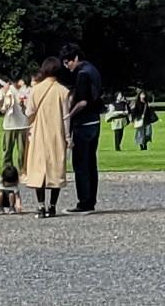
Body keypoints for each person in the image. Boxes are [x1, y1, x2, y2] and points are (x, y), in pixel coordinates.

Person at [20, 59, 77, 217]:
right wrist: (67, 137)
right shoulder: (63, 91)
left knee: (39, 170)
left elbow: (29, 112)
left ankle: (40, 206)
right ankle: (52, 206)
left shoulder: (36, 90)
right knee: (55, 170)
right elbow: (66, 117)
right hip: (56, 134)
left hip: (39, 133)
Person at [61, 42, 109, 213]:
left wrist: (68, 115)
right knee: (91, 162)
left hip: (83, 123)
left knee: (80, 163)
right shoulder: (93, 70)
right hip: (95, 122)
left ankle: (84, 202)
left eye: (68, 62)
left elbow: (82, 101)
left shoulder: (82, 74)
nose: (67, 66)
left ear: (75, 58)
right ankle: (91, 200)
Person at [0, 72, 32, 210]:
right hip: (9, 125)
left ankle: (23, 173)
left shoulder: (27, 89)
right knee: (7, 151)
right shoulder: (7, 89)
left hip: (23, 124)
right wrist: (3, 94)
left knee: (23, 151)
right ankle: (6, 174)